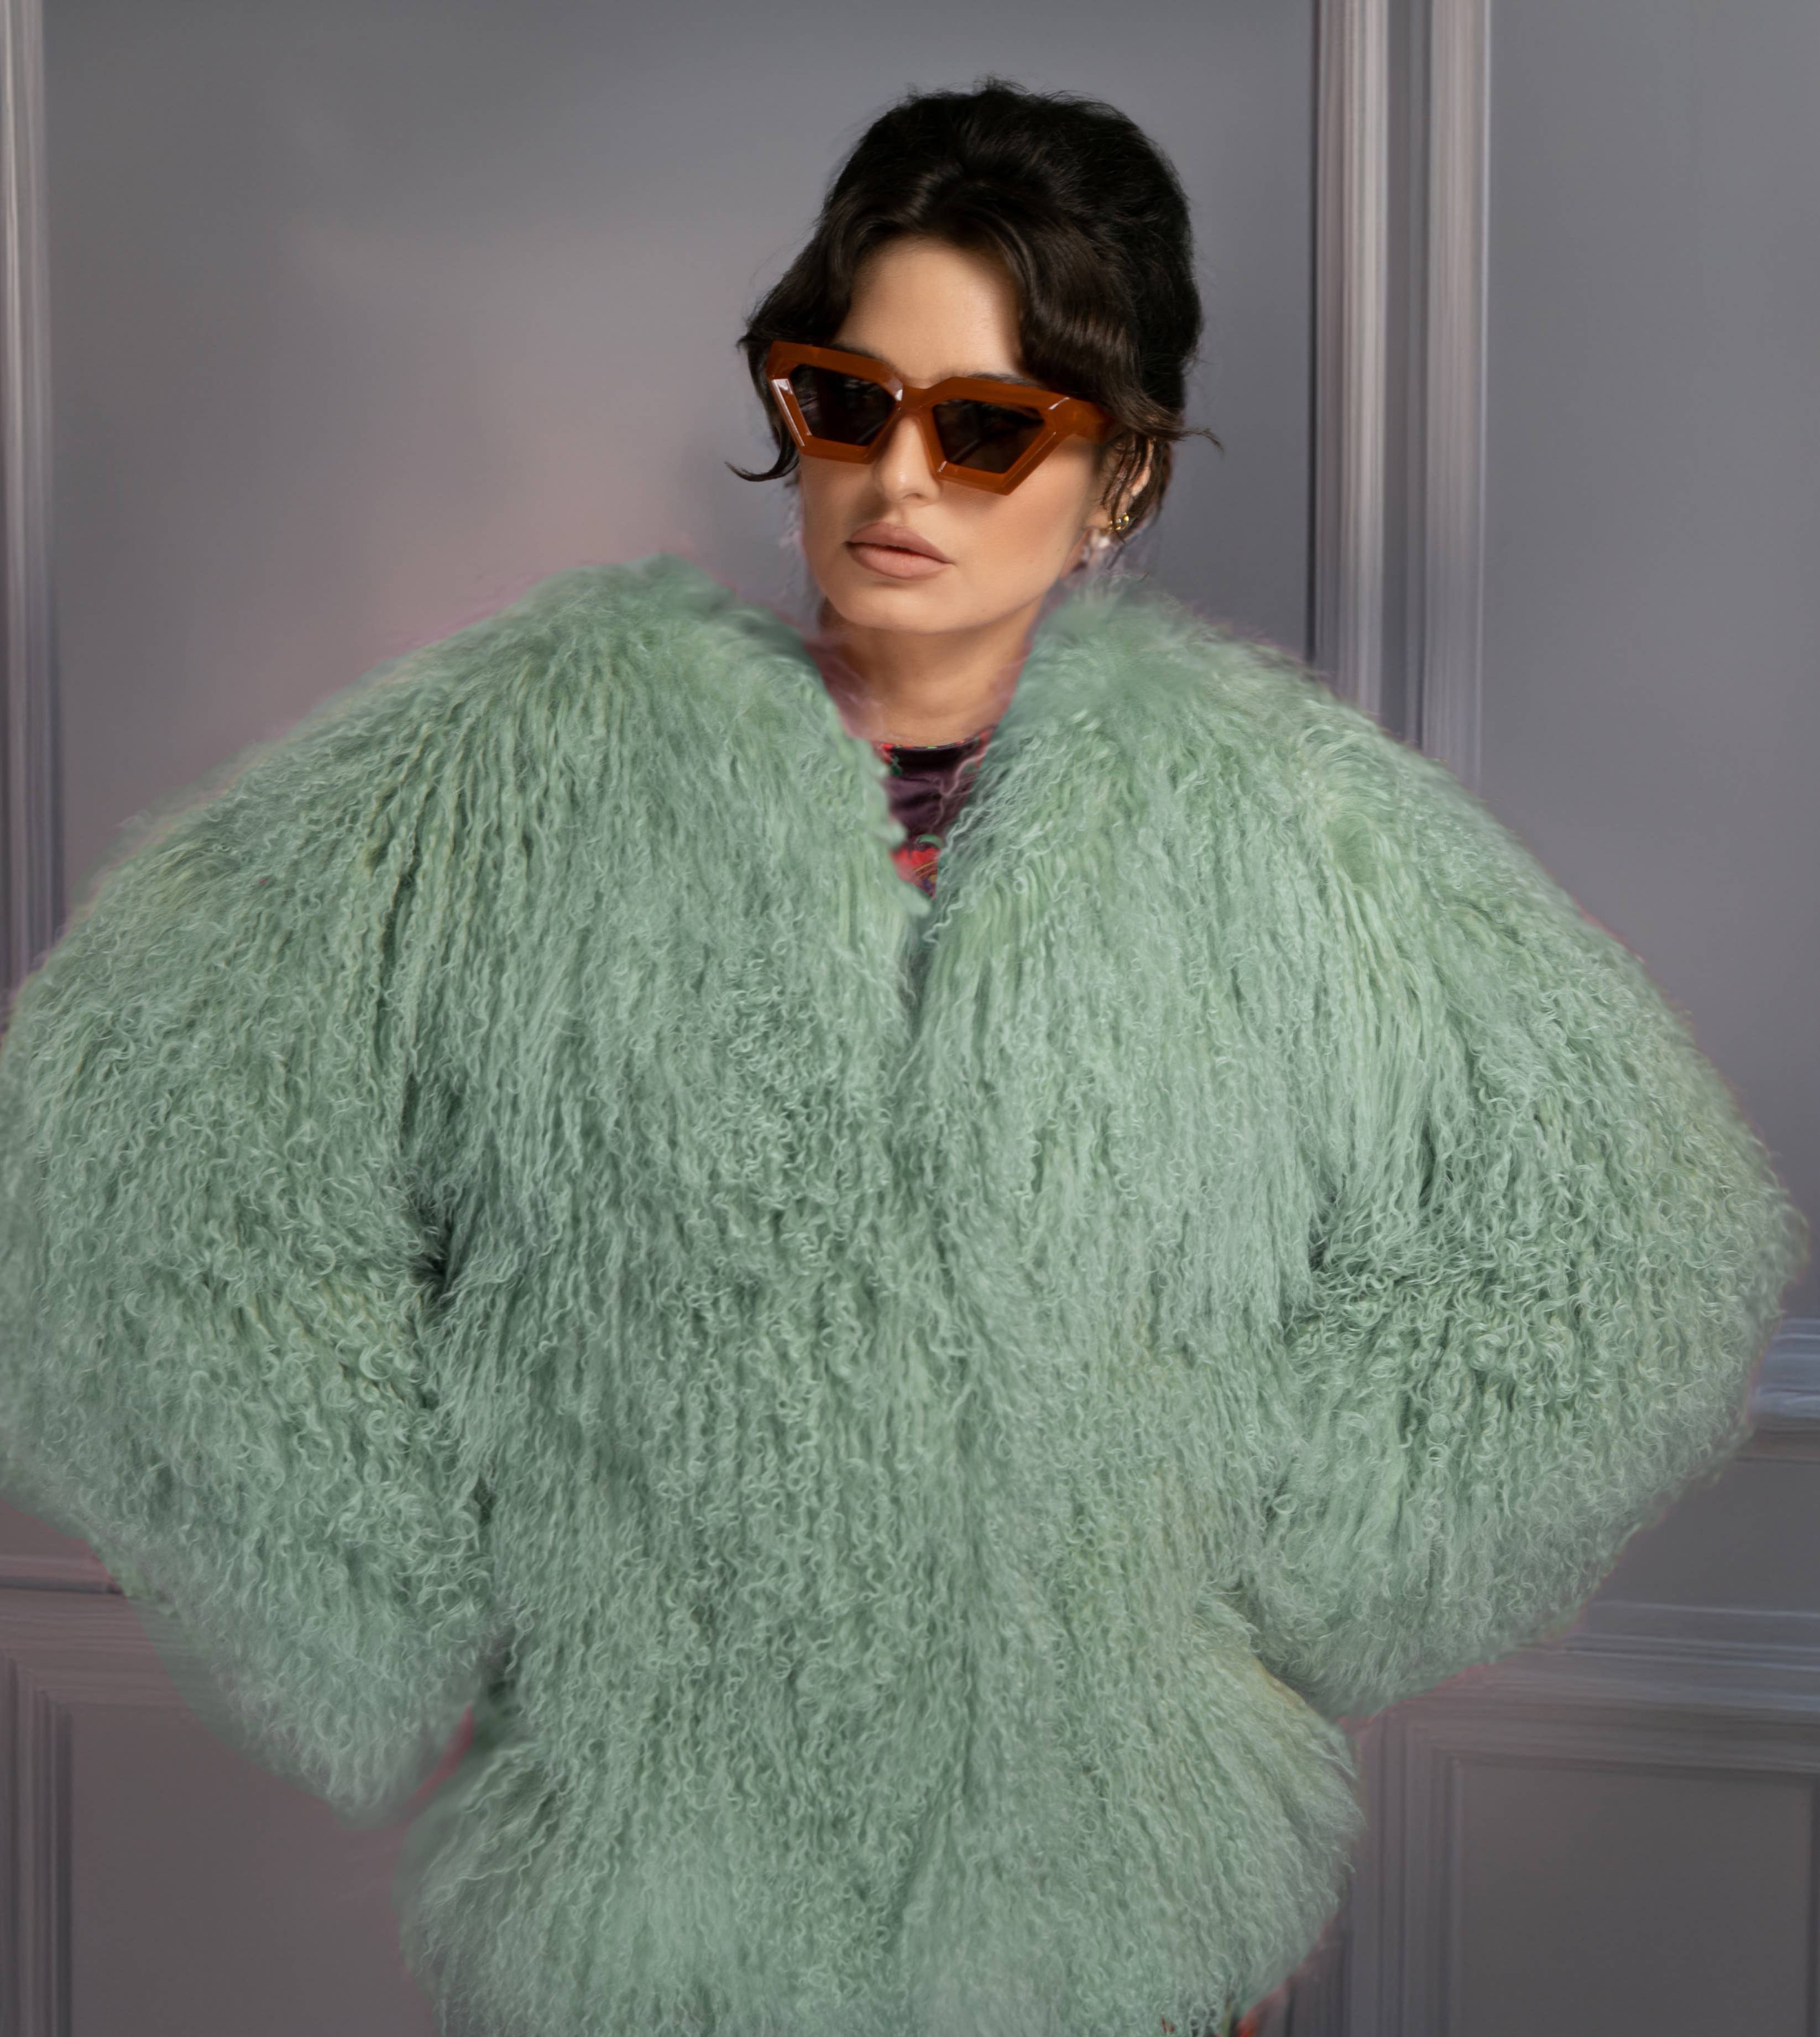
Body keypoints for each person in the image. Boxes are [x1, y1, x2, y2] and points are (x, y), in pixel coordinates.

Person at [0, 75, 1805, 2037]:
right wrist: (402, 1598)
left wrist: (1263, 1606)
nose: (899, 479)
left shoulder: (1288, 839)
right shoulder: (520, 781)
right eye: (843, 400)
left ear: (1119, 474)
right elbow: (121, 1156)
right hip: (652, 1924)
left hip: (1101, 1931)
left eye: (986, 423)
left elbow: (1631, 1229)